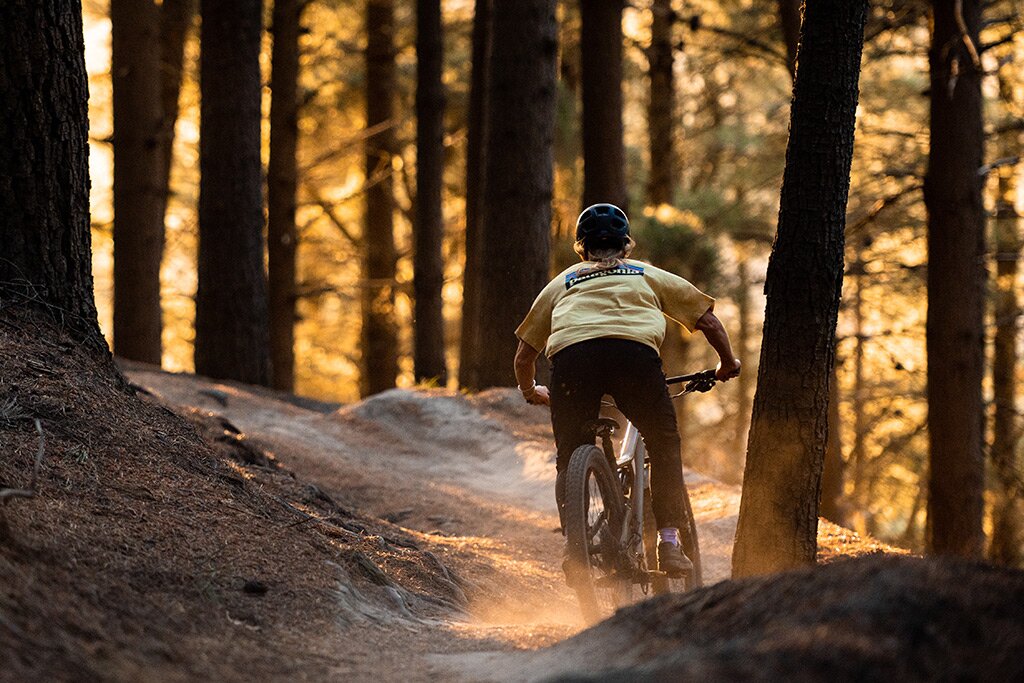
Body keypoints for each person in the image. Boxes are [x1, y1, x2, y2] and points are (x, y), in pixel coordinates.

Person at [513, 203, 741, 577]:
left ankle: (576, 551)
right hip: (634, 358)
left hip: (573, 362)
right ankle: (668, 542)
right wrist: (727, 363)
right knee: (663, 442)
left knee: (569, 454)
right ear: (626, 246)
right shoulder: (646, 274)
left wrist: (529, 390)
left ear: (581, 248)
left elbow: (525, 354)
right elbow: (709, 322)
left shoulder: (562, 281)